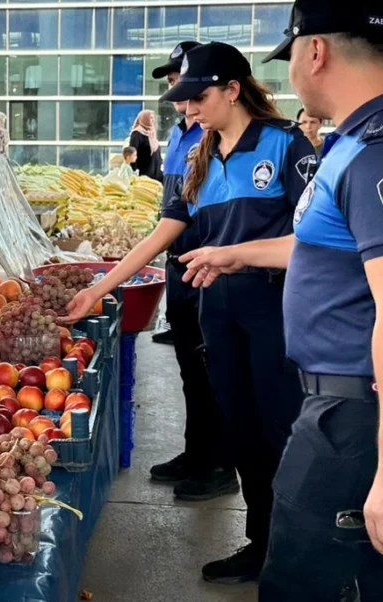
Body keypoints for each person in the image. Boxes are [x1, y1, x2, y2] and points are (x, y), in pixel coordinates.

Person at [183, 0, 383, 601]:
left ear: (316, 51)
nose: (291, 77)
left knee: (300, 585)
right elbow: (323, 245)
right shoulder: (366, 139)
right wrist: (235, 253)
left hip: (360, 416)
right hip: (363, 408)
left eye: (292, 58)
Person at [62, 41, 318, 584]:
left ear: (232, 89)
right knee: (243, 433)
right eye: (183, 100)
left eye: (197, 97)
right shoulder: (201, 157)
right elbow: (162, 234)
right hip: (217, 313)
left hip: (277, 312)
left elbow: (317, 241)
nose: (189, 109)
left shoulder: (286, 146)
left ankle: (304, 558)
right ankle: (263, 544)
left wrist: (237, 256)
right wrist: (98, 287)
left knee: (283, 435)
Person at [134, 40, 239, 503]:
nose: (179, 93)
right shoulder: (180, 134)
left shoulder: (216, 137)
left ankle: (219, 464)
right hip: (179, 266)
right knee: (189, 373)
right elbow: (173, 204)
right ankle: (195, 452)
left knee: (213, 371)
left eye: (185, 82)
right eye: (176, 83)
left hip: (211, 271)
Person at [128, 110, 164, 181]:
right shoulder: (137, 134)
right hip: (144, 174)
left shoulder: (151, 133)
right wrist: (134, 171)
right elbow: (132, 151)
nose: (152, 120)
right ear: (144, 119)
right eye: (150, 118)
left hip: (156, 172)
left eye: (153, 118)